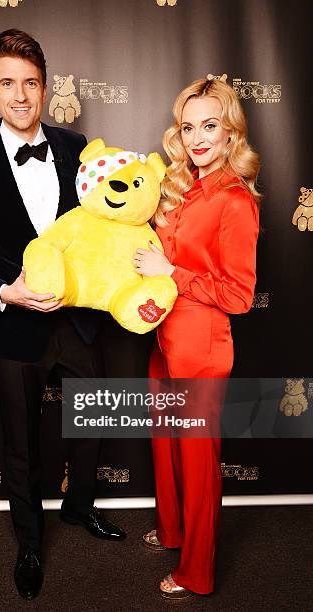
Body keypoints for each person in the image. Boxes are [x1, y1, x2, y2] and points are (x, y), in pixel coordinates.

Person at [0, 29, 153, 601]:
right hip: (12, 326)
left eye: (31, 83)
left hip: (78, 321)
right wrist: (6, 290)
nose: (22, 95)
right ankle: (29, 543)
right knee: (22, 445)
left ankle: (81, 507)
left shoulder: (80, 147)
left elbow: (110, 223)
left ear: (45, 86)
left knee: (94, 424)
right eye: (8, 83)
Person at [133, 77, 260, 600]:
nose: (197, 138)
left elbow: (238, 295)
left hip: (202, 352)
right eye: (188, 127)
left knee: (198, 463)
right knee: (165, 449)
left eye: (210, 125)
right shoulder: (182, 186)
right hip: (164, 340)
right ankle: (173, 531)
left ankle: (196, 572)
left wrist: (171, 271)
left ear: (230, 131)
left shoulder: (235, 201)